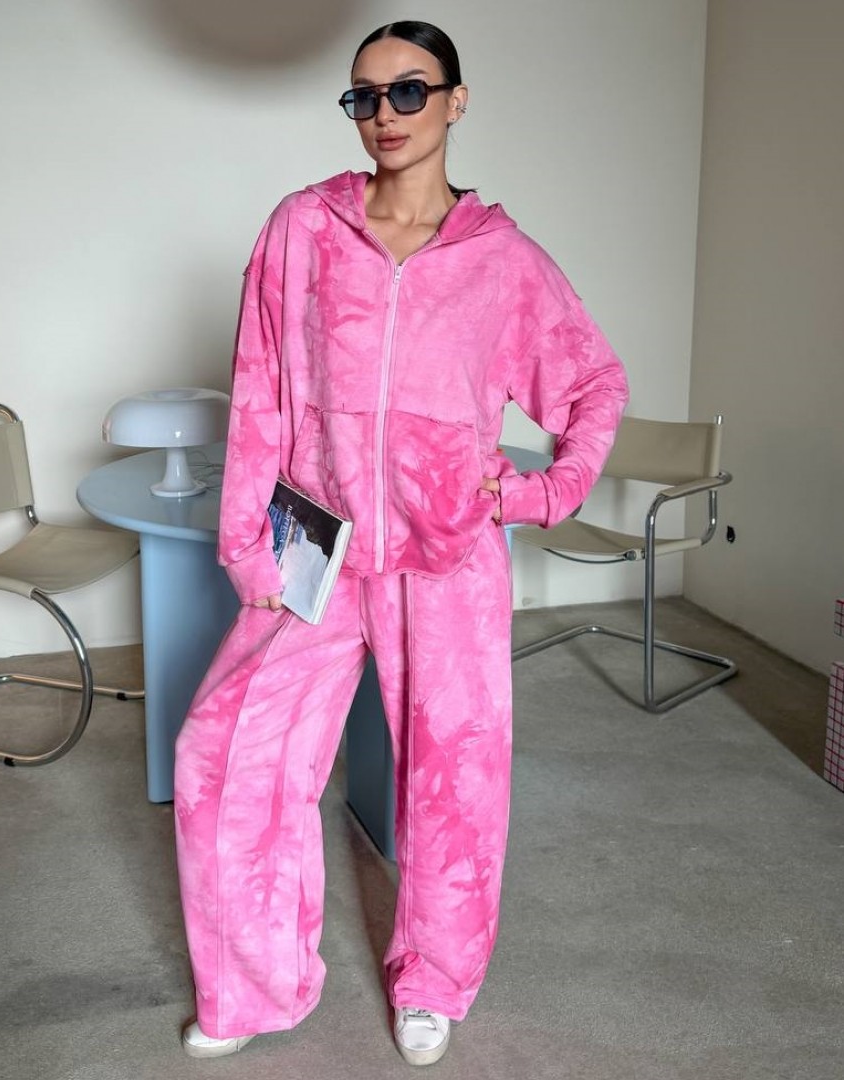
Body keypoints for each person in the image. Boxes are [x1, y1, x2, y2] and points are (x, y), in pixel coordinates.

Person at [174, 19, 629, 1067]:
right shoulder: (303, 229)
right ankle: (251, 988)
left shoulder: (503, 262)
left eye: (410, 91)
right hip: (314, 543)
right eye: (365, 96)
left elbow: (593, 384)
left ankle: (433, 980)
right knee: (227, 754)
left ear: (457, 102)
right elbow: (259, 388)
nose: (386, 114)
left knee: (453, 783)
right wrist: (245, 541)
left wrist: (537, 494)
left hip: (448, 556)